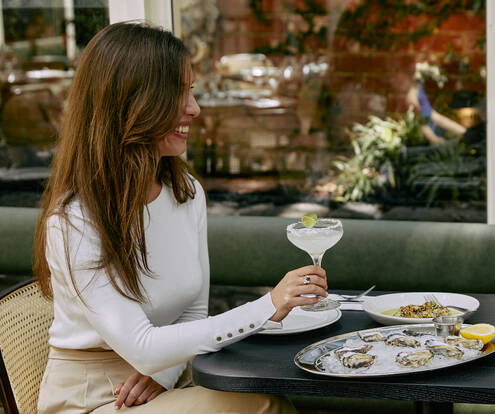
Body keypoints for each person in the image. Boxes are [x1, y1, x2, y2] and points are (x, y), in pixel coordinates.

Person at [31, 22, 325, 413]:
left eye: (191, 91)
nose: (195, 108)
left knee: (270, 400)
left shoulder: (185, 192)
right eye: (178, 93)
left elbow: (192, 310)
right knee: (261, 407)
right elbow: (142, 347)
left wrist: (163, 373)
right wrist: (268, 306)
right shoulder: (74, 220)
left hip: (167, 381)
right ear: (131, 103)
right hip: (94, 400)